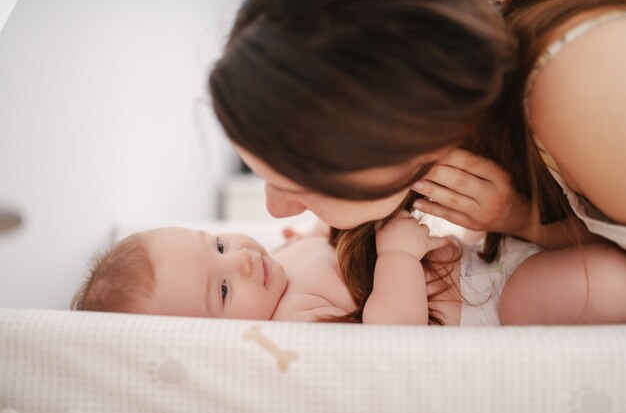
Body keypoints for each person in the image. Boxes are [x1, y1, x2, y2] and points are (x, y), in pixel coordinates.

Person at [208, 0, 626, 260]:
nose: (276, 210)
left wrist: (528, 223)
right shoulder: (441, 91)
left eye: (304, 184)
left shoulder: (585, 87)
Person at [71, 209, 626, 325]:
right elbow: (390, 334)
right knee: (595, 282)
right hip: (493, 295)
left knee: (591, 228)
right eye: (220, 289)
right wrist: (399, 257)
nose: (241, 259)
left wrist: (319, 229)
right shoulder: (292, 319)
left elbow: (330, 239)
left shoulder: (276, 265)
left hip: (487, 246)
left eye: (217, 243)